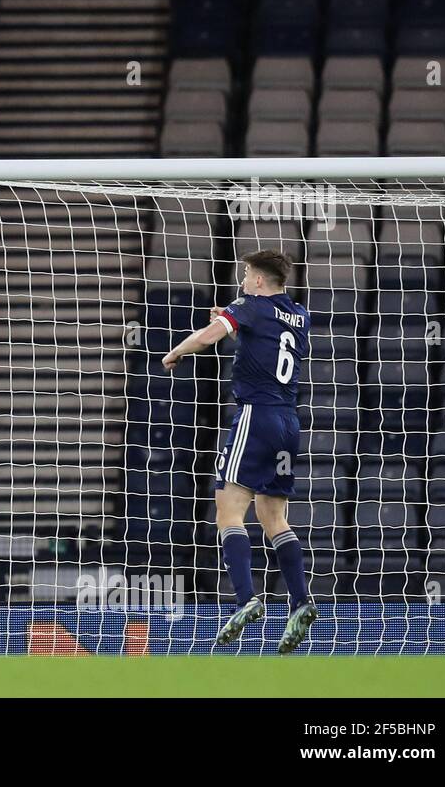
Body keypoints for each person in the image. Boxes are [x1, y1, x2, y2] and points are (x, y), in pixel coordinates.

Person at [163, 250, 316, 654]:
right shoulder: (299, 315)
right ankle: (300, 601)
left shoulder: (248, 305)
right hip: (288, 421)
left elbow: (207, 336)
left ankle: (247, 598)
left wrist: (178, 351)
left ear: (261, 281)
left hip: (255, 415)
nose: (244, 280)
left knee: (228, 510)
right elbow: (268, 345)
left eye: (248, 274)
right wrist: (237, 325)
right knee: (273, 516)